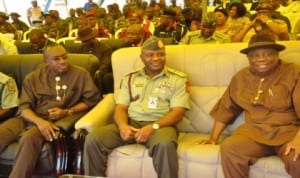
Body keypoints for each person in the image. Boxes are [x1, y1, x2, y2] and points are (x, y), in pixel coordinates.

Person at [83, 37, 190, 178]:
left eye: (160, 54)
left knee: (165, 144)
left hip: (160, 126)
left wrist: (153, 127)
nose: (156, 58)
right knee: (93, 139)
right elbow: (120, 108)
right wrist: (122, 126)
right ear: (142, 57)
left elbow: (178, 113)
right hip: (130, 123)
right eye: (150, 55)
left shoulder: (178, 79)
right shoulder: (130, 79)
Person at [200, 33, 300, 178]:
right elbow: (226, 108)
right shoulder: (240, 77)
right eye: (255, 56)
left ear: (277, 54)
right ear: (248, 58)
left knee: (297, 159)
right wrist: (213, 139)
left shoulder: (293, 72)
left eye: (268, 54)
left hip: (288, 132)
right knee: (230, 148)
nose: (261, 59)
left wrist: (298, 140)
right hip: (254, 132)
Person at [0, 43, 100, 178]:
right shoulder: (33, 77)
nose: (63, 61)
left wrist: (67, 111)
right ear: (45, 61)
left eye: (65, 57)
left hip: (55, 120)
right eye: (57, 59)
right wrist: (40, 122)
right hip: (30, 118)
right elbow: (24, 108)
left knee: (29, 139)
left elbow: (91, 101)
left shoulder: (80, 74)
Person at [77, 26, 113, 95]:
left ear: (93, 38)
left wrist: (96, 72)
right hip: (84, 72)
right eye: (82, 41)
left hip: (99, 73)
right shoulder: (80, 48)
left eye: (86, 41)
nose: (84, 43)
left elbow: (105, 65)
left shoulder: (105, 48)